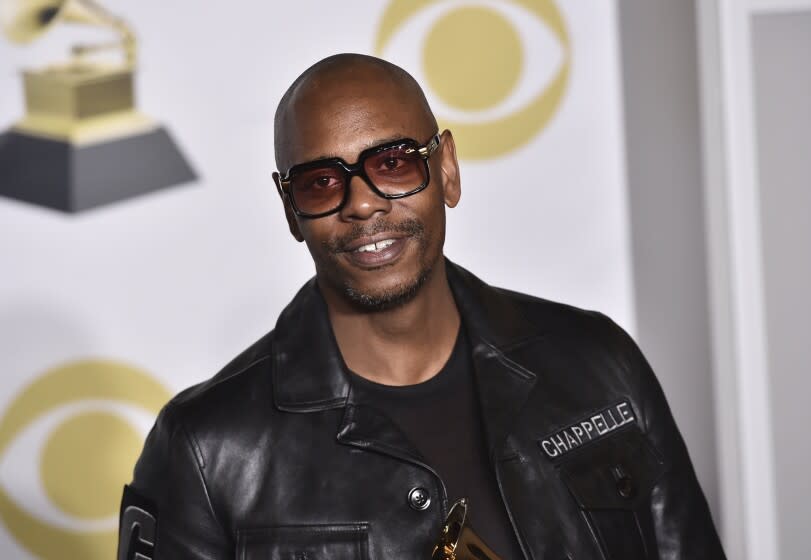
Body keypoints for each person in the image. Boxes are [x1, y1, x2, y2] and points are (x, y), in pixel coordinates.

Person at [118, 53, 726, 560]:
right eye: (321, 182)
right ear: (290, 212)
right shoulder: (204, 448)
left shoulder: (598, 363)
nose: (362, 204)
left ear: (448, 170)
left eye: (393, 162)